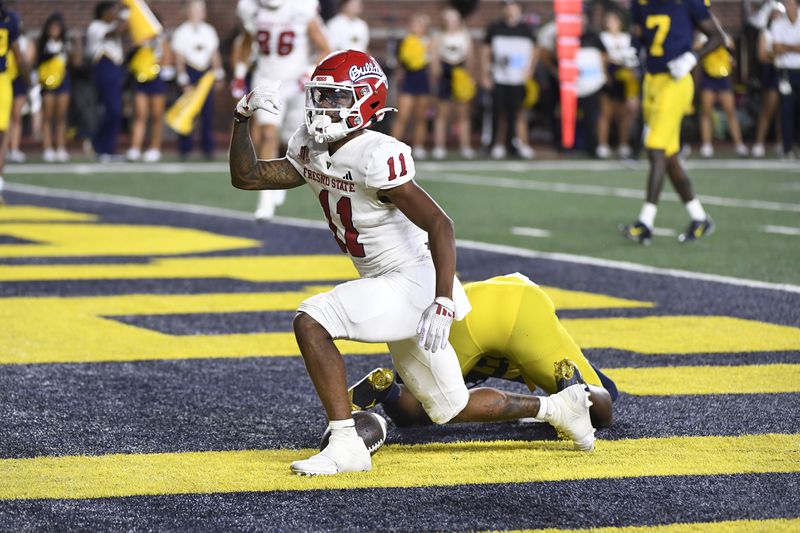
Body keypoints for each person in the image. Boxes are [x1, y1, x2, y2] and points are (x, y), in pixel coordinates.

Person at [229, 50, 595, 475]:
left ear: (364, 102)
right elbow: (249, 176)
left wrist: (442, 299)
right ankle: (558, 408)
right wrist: (242, 117)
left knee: (312, 320)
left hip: (411, 280)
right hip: (386, 280)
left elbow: (440, 224)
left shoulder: (376, 154)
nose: (322, 107)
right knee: (448, 407)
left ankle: (346, 444)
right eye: (320, 96)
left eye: (335, 98)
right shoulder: (310, 145)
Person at [349, 273, 616, 430]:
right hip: (526, 308)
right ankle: (573, 386)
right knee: (600, 409)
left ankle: (388, 390)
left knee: (421, 411)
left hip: (466, 309)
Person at [619, 0, 724, 245]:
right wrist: (634, 48)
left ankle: (645, 223)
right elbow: (639, 31)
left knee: (654, 147)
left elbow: (718, 37)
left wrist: (693, 56)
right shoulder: (641, 3)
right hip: (651, 81)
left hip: (676, 82)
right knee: (669, 155)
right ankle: (700, 218)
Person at [233, 0, 330, 221]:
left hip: (296, 83)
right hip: (267, 79)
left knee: (293, 141)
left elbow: (324, 47)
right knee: (267, 134)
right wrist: (239, 73)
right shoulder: (251, 8)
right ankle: (266, 200)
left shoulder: (300, 8)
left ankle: (283, 180)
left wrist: (308, 70)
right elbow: (247, 41)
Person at [481, 0, 537, 159]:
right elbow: (485, 51)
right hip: (500, 77)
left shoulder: (526, 29)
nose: (510, 10)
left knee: (519, 112)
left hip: (519, 79)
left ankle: (520, 143)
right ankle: (498, 144)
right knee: (500, 112)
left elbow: (535, 49)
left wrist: (530, 69)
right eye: (507, 7)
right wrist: (485, 74)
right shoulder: (495, 28)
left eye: (513, 7)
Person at [171, 0, 225, 161]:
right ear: (188, 11)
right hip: (190, 72)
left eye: (202, 8)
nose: (200, 11)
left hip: (205, 75)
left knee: (207, 113)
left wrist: (219, 74)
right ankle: (184, 149)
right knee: (188, 111)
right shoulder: (181, 32)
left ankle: (208, 148)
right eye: (196, 8)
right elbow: (179, 57)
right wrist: (182, 78)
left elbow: (214, 54)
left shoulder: (209, 30)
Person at [431, 7, 476, 160]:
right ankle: (439, 146)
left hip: (460, 73)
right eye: (449, 20)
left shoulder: (465, 36)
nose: (452, 22)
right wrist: (436, 74)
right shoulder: (439, 36)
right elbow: (435, 58)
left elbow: (470, 58)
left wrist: (469, 77)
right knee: (442, 113)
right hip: (445, 73)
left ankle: (465, 146)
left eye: (454, 19)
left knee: (463, 113)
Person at [696, 32, 748, 158]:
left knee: (730, 111)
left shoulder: (726, 36)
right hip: (708, 77)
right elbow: (696, 49)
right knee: (706, 112)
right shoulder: (702, 37)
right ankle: (707, 144)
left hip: (723, 78)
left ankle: (739, 144)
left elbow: (732, 49)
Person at [87, 1, 127, 161]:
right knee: (113, 109)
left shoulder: (113, 26)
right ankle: (98, 145)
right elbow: (115, 32)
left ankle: (108, 148)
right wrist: (126, 15)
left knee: (116, 111)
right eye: (112, 11)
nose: (115, 14)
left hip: (115, 70)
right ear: (103, 13)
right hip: (104, 69)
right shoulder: (95, 27)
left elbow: (126, 30)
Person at [597, 9, 640, 160]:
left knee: (624, 114)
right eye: (609, 20)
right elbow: (603, 57)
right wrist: (606, 74)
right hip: (610, 73)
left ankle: (623, 144)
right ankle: (603, 144)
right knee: (606, 112)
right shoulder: (602, 37)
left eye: (614, 20)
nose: (611, 23)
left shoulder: (626, 37)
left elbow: (632, 57)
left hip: (624, 74)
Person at [390, 14, 434, 159]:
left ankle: (419, 146)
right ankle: (392, 146)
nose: (416, 27)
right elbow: (400, 63)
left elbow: (432, 62)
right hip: (409, 79)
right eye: (414, 24)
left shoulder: (429, 42)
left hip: (422, 79)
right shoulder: (405, 41)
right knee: (403, 115)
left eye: (419, 24)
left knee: (421, 116)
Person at [127, 28, 172, 162]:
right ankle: (135, 147)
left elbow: (167, 59)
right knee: (140, 114)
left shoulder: (160, 39)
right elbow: (131, 57)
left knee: (157, 115)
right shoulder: (139, 38)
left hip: (156, 79)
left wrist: (153, 67)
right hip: (141, 80)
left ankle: (155, 148)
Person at [0, 1, 29, 204]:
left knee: (2, 133)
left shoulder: (9, 19)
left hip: (2, 78)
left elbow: (17, 53)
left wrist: (29, 80)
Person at [36, 12, 75, 163]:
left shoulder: (66, 44)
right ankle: (47, 148)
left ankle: (60, 147)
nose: (54, 29)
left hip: (63, 81)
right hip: (47, 82)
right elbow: (38, 61)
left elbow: (75, 62)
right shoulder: (43, 44)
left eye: (57, 27)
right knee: (48, 116)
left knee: (61, 117)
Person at [771, 0, 800, 159]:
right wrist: (795, 47)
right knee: (786, 110)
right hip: (785, 72)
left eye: (791, 3)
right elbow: (776, 48)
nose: (789, 6)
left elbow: (782, 47)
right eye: (786, 3)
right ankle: (787, 147)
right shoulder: (778, 24)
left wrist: (786, 47)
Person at [6, 17, 34, 164]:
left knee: (16, 116)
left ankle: (14, 148)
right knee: (4, 118)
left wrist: (29, 81)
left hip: (19, 78)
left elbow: (26, 61)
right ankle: (5, 148)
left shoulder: (24, 41)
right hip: (5, 77)